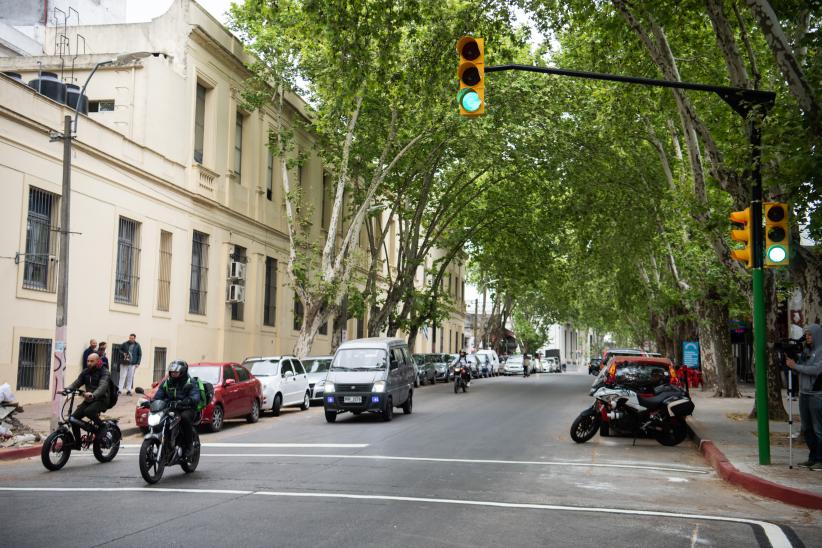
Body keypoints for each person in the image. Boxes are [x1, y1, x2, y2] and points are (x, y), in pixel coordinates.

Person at [786, 324, 822, 471]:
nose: (807, 337)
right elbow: (798, 369)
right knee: (806, 428)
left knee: (818, 428)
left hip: (817, 394)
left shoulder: (820, 351)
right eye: (806, 335)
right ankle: (812, 457)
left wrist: (796, 367)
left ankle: (820, 459)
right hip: (804, 393)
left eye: (810, 335)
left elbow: (816, 370)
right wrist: (792, 363)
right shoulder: (806, 351)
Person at [152, 360, 200, 457]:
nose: (173, 374)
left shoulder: (190, 382)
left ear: (183, 372)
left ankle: (189, 446)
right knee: (160, 418)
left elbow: (195, 397)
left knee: (184, 418)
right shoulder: (167, 382)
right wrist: (152, 402)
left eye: (176, 372)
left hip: (187, 408)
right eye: (172, 372)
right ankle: (167, 442)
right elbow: (158, 395)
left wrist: (186, 401)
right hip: (172, 408)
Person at [64, 353, 110, 448]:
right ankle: (78, 443)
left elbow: (103, 386)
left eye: (92, 361)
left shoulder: (104, 372)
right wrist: (66, 390)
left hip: (102, 399)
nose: (89, 363)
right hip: (89, 399)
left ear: (98, 361)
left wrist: (93, 395)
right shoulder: (86, 371)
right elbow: (77, 382)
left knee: (89, 411)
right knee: (73, 419)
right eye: (88, 361)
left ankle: (102, 426)